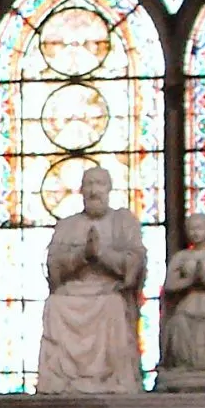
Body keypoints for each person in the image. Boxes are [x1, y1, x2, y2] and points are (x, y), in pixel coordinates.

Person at [36, 166, 144, 394]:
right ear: (81, 190)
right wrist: (82, 255)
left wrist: (102, 255)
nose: (94, 191)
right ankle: (60, 381)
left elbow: (134, 262)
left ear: (109, 189)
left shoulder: (123, 222)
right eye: (89, 184)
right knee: (55, 305)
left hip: (108, 292)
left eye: (100, 184)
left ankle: (112, 380)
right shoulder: (67, 225)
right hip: (73, 293)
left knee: (113, 306)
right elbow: (54, 266)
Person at [155, 212, 205, 391]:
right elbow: (169, 286)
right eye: (192, 228)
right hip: (186, 307)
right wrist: (188, 281)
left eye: (200, 228)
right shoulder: (181, 258)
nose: (196, 232)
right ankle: (183, 366)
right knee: (182, 336)